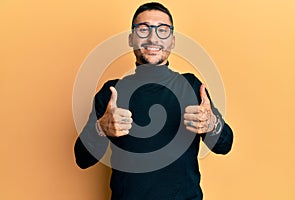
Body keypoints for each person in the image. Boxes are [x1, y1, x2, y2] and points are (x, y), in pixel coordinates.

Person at [74, 2, 233, 199]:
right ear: (131, 39)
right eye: (143, 29)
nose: (153, 38)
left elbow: (225, 145)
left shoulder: (191, 87)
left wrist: (212, 124)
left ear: (172, 41)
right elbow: (82, 158)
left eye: (163, 30)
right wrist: (100, 128)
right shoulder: (112, 93)